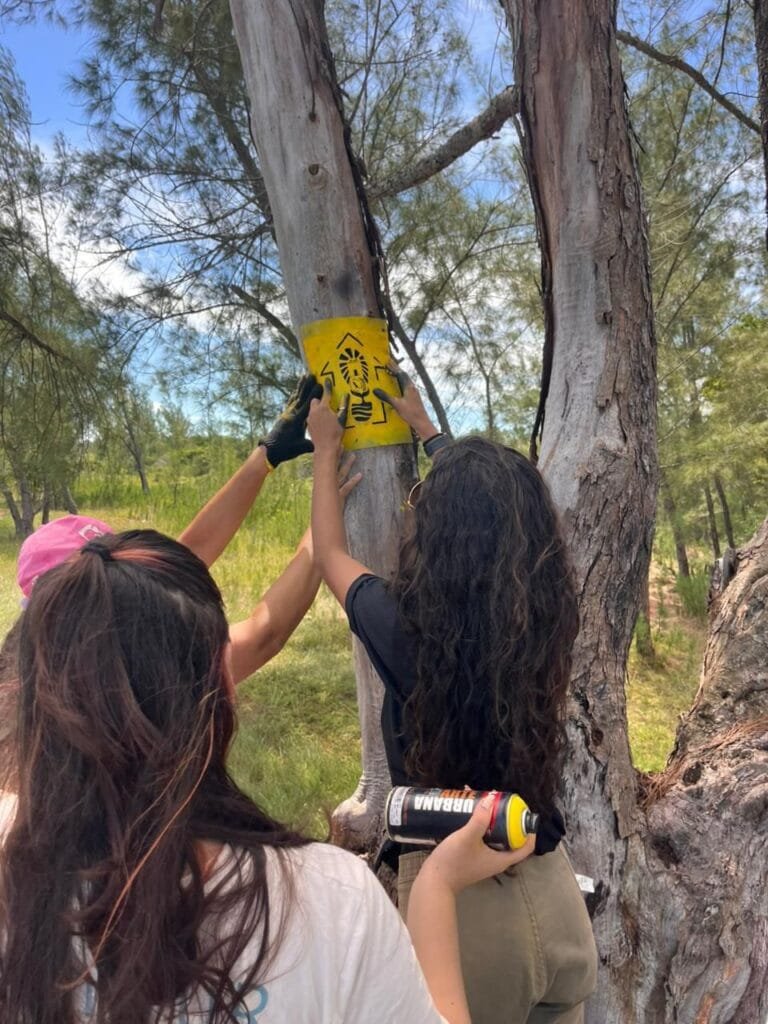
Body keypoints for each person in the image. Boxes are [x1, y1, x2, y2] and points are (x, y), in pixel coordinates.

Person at [0, 527, 533, 1023]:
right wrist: (436, 885)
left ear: (28, 694)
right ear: (225, 683)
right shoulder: (330, 901)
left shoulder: (15, 866)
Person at [307, 371, 598, 1024]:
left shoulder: (402, 626)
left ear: (431, 532)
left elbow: (329, 553)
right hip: (551, 886)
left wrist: (326, 453)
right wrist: (432, 436)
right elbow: (496, 513)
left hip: (462, 911)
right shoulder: (546, 616)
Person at [0, 376, 359, 790]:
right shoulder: (149, 671)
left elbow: (178, 559)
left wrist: (266, 456)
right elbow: (265, 632)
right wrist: (325, 510)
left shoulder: (26, 668)